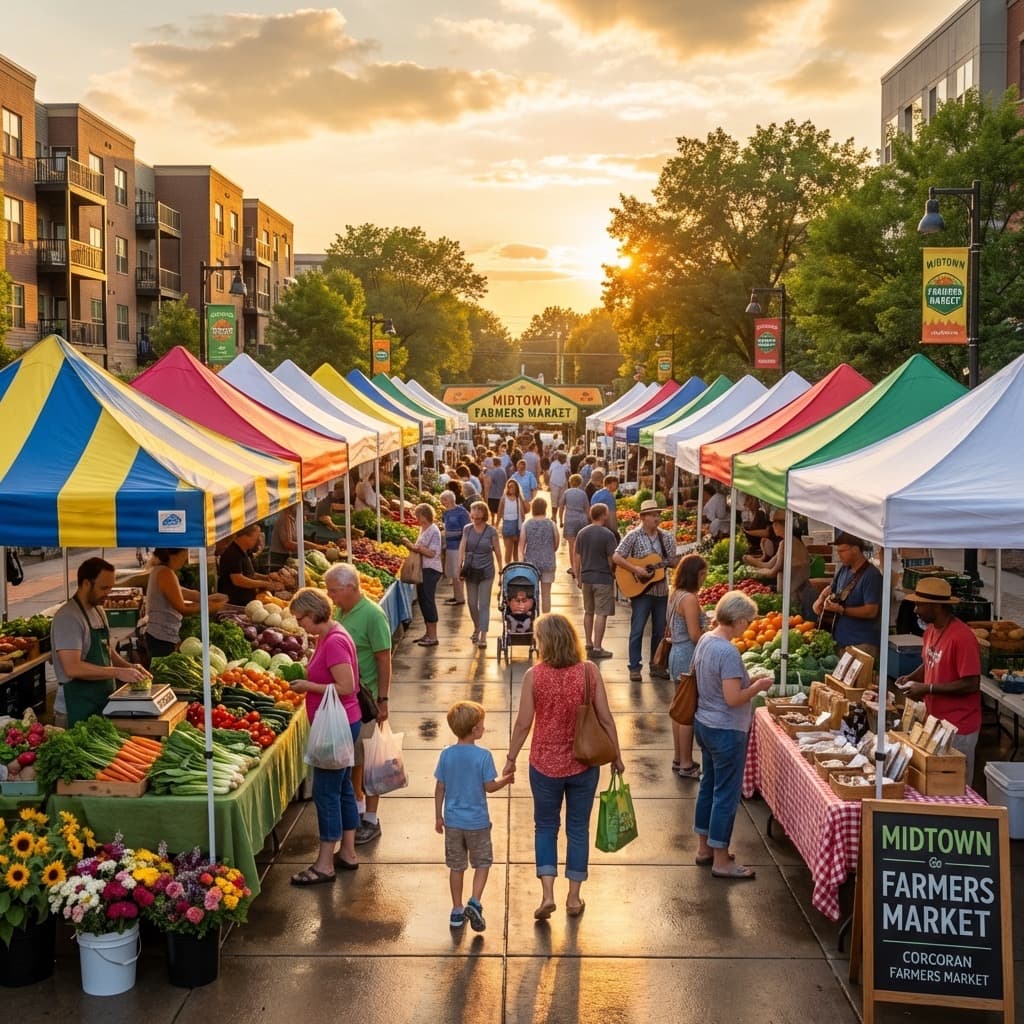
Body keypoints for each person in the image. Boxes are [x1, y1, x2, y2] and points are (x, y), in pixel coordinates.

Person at [505, 614, 624, 919]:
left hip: (544, 765)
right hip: (584, 763)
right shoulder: (588, 672)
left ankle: (547, 895)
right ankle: (573, 898)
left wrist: (511, 757)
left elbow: (522, 723)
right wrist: (616, 755)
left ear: (544, 642)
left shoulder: (534, 676)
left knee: (545, 826)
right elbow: (606, 718)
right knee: (577, 829)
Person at [693, 590, 773, 879]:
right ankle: (720, 859)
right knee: (725, 795)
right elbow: (733, 698)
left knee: (708, 786)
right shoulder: (727, 651)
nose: (748, 626)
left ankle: (705, 847)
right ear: (738, 620)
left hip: (705, 723)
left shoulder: (706, 639)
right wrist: (758, 686)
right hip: (726, 729)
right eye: (748, 622)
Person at [288, 587, 363, 884]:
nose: (298, 625)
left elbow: (347, 686)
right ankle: (348, 852)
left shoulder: (333, 642)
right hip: (343, 722)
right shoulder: (331, 634)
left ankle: (324, 865)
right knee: (343, 786)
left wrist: (308, 686)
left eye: (300, 618)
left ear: (313, 613)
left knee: (325, 792)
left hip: (337, 725)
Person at [325, 563, 393, 847]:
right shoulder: (341, 611)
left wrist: (383, 699)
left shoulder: (373, 615)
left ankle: (371, 820)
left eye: (334, 591)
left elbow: (383, 658)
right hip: (347, 700)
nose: (330, 596)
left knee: (370, 761)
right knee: (354, 760)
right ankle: (358, 810)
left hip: (367, 699)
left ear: (351, 587)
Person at [435, 700, 515, 931]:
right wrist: (506, 780)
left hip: (452, 822)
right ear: (474, 730)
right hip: (477, 823)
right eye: (482, 725)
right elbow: (489, 786)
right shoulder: (483, 756)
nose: (484, 728)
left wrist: (438, 816)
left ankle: (457, 910)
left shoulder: (446, 755)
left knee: (456, 867)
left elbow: (440, 787)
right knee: (482, 862)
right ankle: (475, 901)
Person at [894, 577, 981, 783]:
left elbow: (971, 683)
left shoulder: (962, 637)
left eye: (920, 604)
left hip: (959, 727)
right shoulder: (931, 631)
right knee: (936, 783)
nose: (915, 610)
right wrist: (911, 678)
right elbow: (930, 661)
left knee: (955, 786)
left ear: (936, 606)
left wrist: (928, 688)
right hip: (935, 721)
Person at [51, 557, 151, 726]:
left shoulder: (98, 609)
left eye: (111, 588)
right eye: (104, 588)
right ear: (85, 584)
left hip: (100, 700)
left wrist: (129, 667)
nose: (108, 593)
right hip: (74, 706)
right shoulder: (68, 618)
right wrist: (117, 672)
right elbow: (72, 668)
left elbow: (106, 649)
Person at [611, 498, 680, 682]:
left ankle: (656, 665)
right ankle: (634, 667)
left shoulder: (666, 537)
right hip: (641, 593)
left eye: (658, 514)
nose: (657, 518)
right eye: (652, 515)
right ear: (643, 517)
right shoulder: (633, 536)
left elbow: (672, 562)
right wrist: (636, 570)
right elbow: (617, 556)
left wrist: (679, 562)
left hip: (661, 592)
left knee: (659, 630)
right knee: (637, 629)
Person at [667, 555, 709, 779]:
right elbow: (695, 635)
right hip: (687, 657)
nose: (705, 579)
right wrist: (711, 634)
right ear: (696, 575)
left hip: (676, 654)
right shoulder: (690, 599)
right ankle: (686, 762)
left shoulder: (675, 595)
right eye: (703, 574)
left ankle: (678, 757)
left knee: (678, 709)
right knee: (687, 712)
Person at [811, 533, 883, 660]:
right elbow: (831, 588)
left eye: (842, 551)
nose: (839, 555)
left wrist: (841, 610)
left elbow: (871, 611)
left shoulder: (872, 575)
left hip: (861, 643)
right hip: (841, 639)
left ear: (855, 549)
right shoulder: (844, 569)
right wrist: (820, 599)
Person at [145, 548, 226, 658]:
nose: (186, 560)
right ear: (173, 556)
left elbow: (182, 592)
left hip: (159, 635)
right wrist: (209, 607)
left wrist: (208, 598)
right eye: (184, 556)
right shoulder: (165, 573)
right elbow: (183, 609)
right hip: (161, 636)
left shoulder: (161, 570)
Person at [742, 510, 813, 616]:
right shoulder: (791, 541)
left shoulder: (787, 543)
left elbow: (773, 571)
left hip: (796, 597)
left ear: (777, 525)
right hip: (797, 593)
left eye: (773, 525)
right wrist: (752, 561)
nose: (772, 528)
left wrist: (753, 572)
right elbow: (769, 565)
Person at [572, 503, 617, 658]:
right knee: (601, 613)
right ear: (603, 515)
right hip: (603, 578)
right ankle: (598, 647)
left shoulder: (582, 533)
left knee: (588, 611)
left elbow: (577, 557)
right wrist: (613, 572)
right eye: (607, 513)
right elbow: (612, 558)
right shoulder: (608, 535)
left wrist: (578, 576)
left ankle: (588, 642)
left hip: (587, 578)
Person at [458, 500, 503, 650]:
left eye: (478, 511)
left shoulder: (491, 531)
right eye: (473, 511)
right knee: (471, 603)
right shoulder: (467, 529)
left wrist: (501, 569)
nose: (475, 514)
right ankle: (477, 626)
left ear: (484, 513)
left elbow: (497, 550)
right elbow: (462, 548)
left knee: (483, 604)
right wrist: (459, 566)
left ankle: (483, 635)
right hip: (471, 570)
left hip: (486, 571)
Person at [404, 502, 443, 646]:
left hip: (431, 570)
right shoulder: (423, 529)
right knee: (423, 600)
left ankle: (433, 636)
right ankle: (428, 633)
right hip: (423, 569)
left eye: (418, 515)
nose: (416, 518)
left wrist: (415, 548)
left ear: (424, 515)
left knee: (428, 601)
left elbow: (432, 553)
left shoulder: (433, 530)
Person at [217, 524, 282, 606]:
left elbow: (250, 574)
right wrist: (264, 583)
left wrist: (266, 577)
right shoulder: (232, 553)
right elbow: (238, 580)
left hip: (246, 600)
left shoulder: (245, 550)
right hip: (235, 602)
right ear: (245, 537)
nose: (258, 541)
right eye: (256, 537)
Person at [520, 497, 560, 614]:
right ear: (545, 508)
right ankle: (545, 619)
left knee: (532, 594)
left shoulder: (527, 524)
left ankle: (534, 617)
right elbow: (556, 544)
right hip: (548, 562)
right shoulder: (551, 524)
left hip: (531, 564)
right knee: (546, 594)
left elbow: (521, 545)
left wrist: (522, 560)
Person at [439, 491, 470, 606]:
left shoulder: (461, 512)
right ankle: (456, 596)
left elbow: (466, 529)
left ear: (451, 499)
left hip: (458, 547)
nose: (443, 503)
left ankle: (460, 598)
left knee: (458, 573)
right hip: (449, 546)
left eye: (444, 500)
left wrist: (464, 545)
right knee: (452, 573)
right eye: (442, 501)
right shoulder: (446, 513)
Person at [560, 473, 591, 577]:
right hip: (582, 519)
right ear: (580, 482)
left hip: (570, 519)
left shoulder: (567, 492)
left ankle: (573, 568)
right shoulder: (583, 493)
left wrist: (560, 520)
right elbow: (587, 508)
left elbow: (561, 507)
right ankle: (581, 566)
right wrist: (589, 520)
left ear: (570, 482)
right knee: (581, 544)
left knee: (571, 545)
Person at [497, 478, 529, 563]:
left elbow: (527, 510)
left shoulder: (519, 498)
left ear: (517, 488)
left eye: (513, 487)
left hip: (518, 525)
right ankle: (507, 568)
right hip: (507, 526)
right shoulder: (504, 498)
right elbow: (499, 512)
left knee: (517, 551)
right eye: (510, 487)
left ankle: (516, 569)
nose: (511, 488)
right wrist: (496, 525)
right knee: (508, 550)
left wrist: (523, 498)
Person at [547, 451, 569, 524]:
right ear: (560, 458)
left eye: (565, 458)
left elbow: (568, 474)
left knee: (562, 502)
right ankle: (554, 516)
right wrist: (548, 485)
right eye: (564, 458)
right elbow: (549, 473)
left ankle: (561, 520)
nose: (565, 459)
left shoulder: (566, 465)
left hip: (563, 484)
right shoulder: (554, 464)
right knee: (554, 502)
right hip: (554, 484)